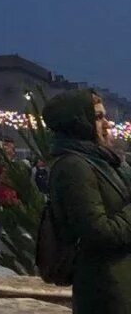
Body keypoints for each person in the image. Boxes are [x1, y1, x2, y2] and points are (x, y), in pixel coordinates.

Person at [44, 89, 131, 313]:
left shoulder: (102, 161)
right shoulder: (74, 166)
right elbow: (99, 233)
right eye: (99, 117)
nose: (108, 123)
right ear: (79, 123)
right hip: (108, 294)